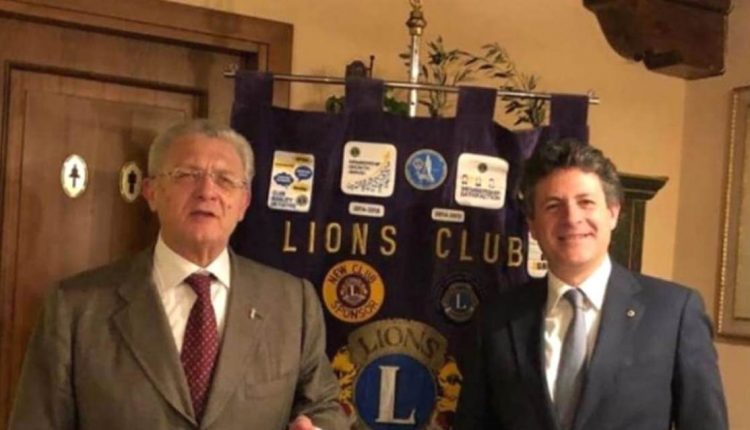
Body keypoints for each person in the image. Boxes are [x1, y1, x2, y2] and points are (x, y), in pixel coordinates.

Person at [9, 119, 347, 430]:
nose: (207, 192)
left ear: (244, 203)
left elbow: (324, 407)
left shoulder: (292, 302)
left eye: (225, 180)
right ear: (152, 192)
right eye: (187, 175)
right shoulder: (75, 307)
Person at [454, 138, 728, 430]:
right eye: (553, 206)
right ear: (532, 227)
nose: (572, 218)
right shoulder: (497, 319)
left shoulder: (674, 313)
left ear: (613, 213)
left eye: (586, 202)